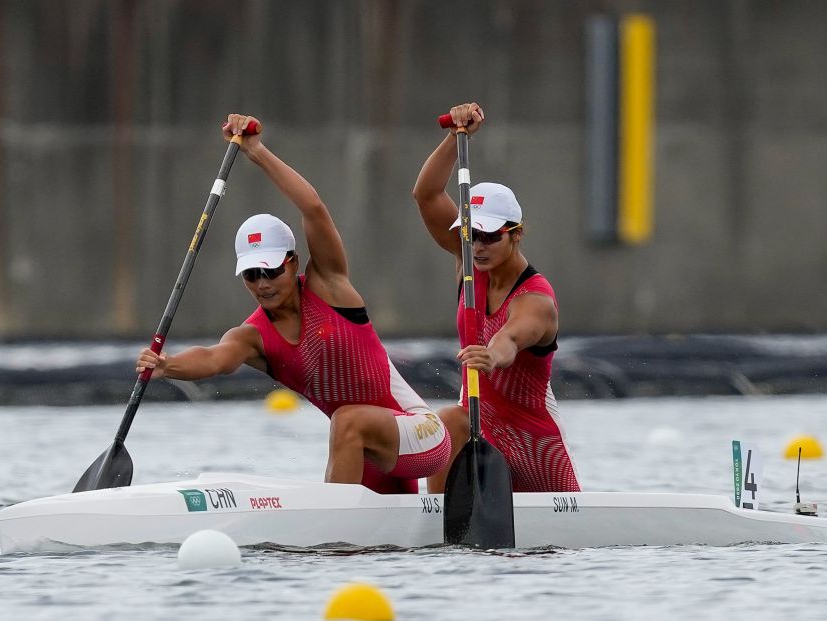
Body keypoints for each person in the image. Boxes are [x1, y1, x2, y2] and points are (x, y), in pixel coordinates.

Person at [136, 113, 450, 495]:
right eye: (251, 275)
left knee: (347, 421)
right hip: (366, 452)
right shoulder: (252, 337)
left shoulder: (330, 286)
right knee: (356, 551)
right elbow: (214, 358)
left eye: (270, 271)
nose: (263, 285)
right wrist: (167, 366)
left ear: (293, 263)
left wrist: (256, 150)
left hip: (423, 436)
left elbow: (313, 208)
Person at [412, 102, 581, 494]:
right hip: (477, 418)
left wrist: (491, 354)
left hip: (533, 444)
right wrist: (457, 139)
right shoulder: (468, 261)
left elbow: (511, 338)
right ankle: (434, 521)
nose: (478, 246)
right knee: (449, 420)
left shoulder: (536, 300)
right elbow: (425, 194)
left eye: (490, 236)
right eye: (472, 234)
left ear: (516, 233)